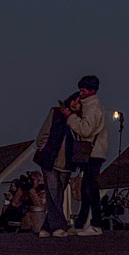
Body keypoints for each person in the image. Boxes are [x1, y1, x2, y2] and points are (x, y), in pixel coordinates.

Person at [60, 76, 108, 236]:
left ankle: (96, 225)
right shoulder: (92, 105)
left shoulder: (93, 107)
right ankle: (83, 224)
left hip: (93, 153)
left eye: (83, 90)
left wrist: (71, 117)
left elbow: (86, 130)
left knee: (90, 189)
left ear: (91, 90)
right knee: (87, 188)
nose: (81, 93)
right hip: (94, 152)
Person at [35, 92, 77, 238]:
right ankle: (60, 226)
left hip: (66, 163)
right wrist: (43, 149)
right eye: (74, 101)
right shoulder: (57, 112)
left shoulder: (77, 119)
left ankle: (46, 228)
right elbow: (43, 134)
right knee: (53, 193)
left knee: (57, 196)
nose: (75, 104)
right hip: (50, 161)